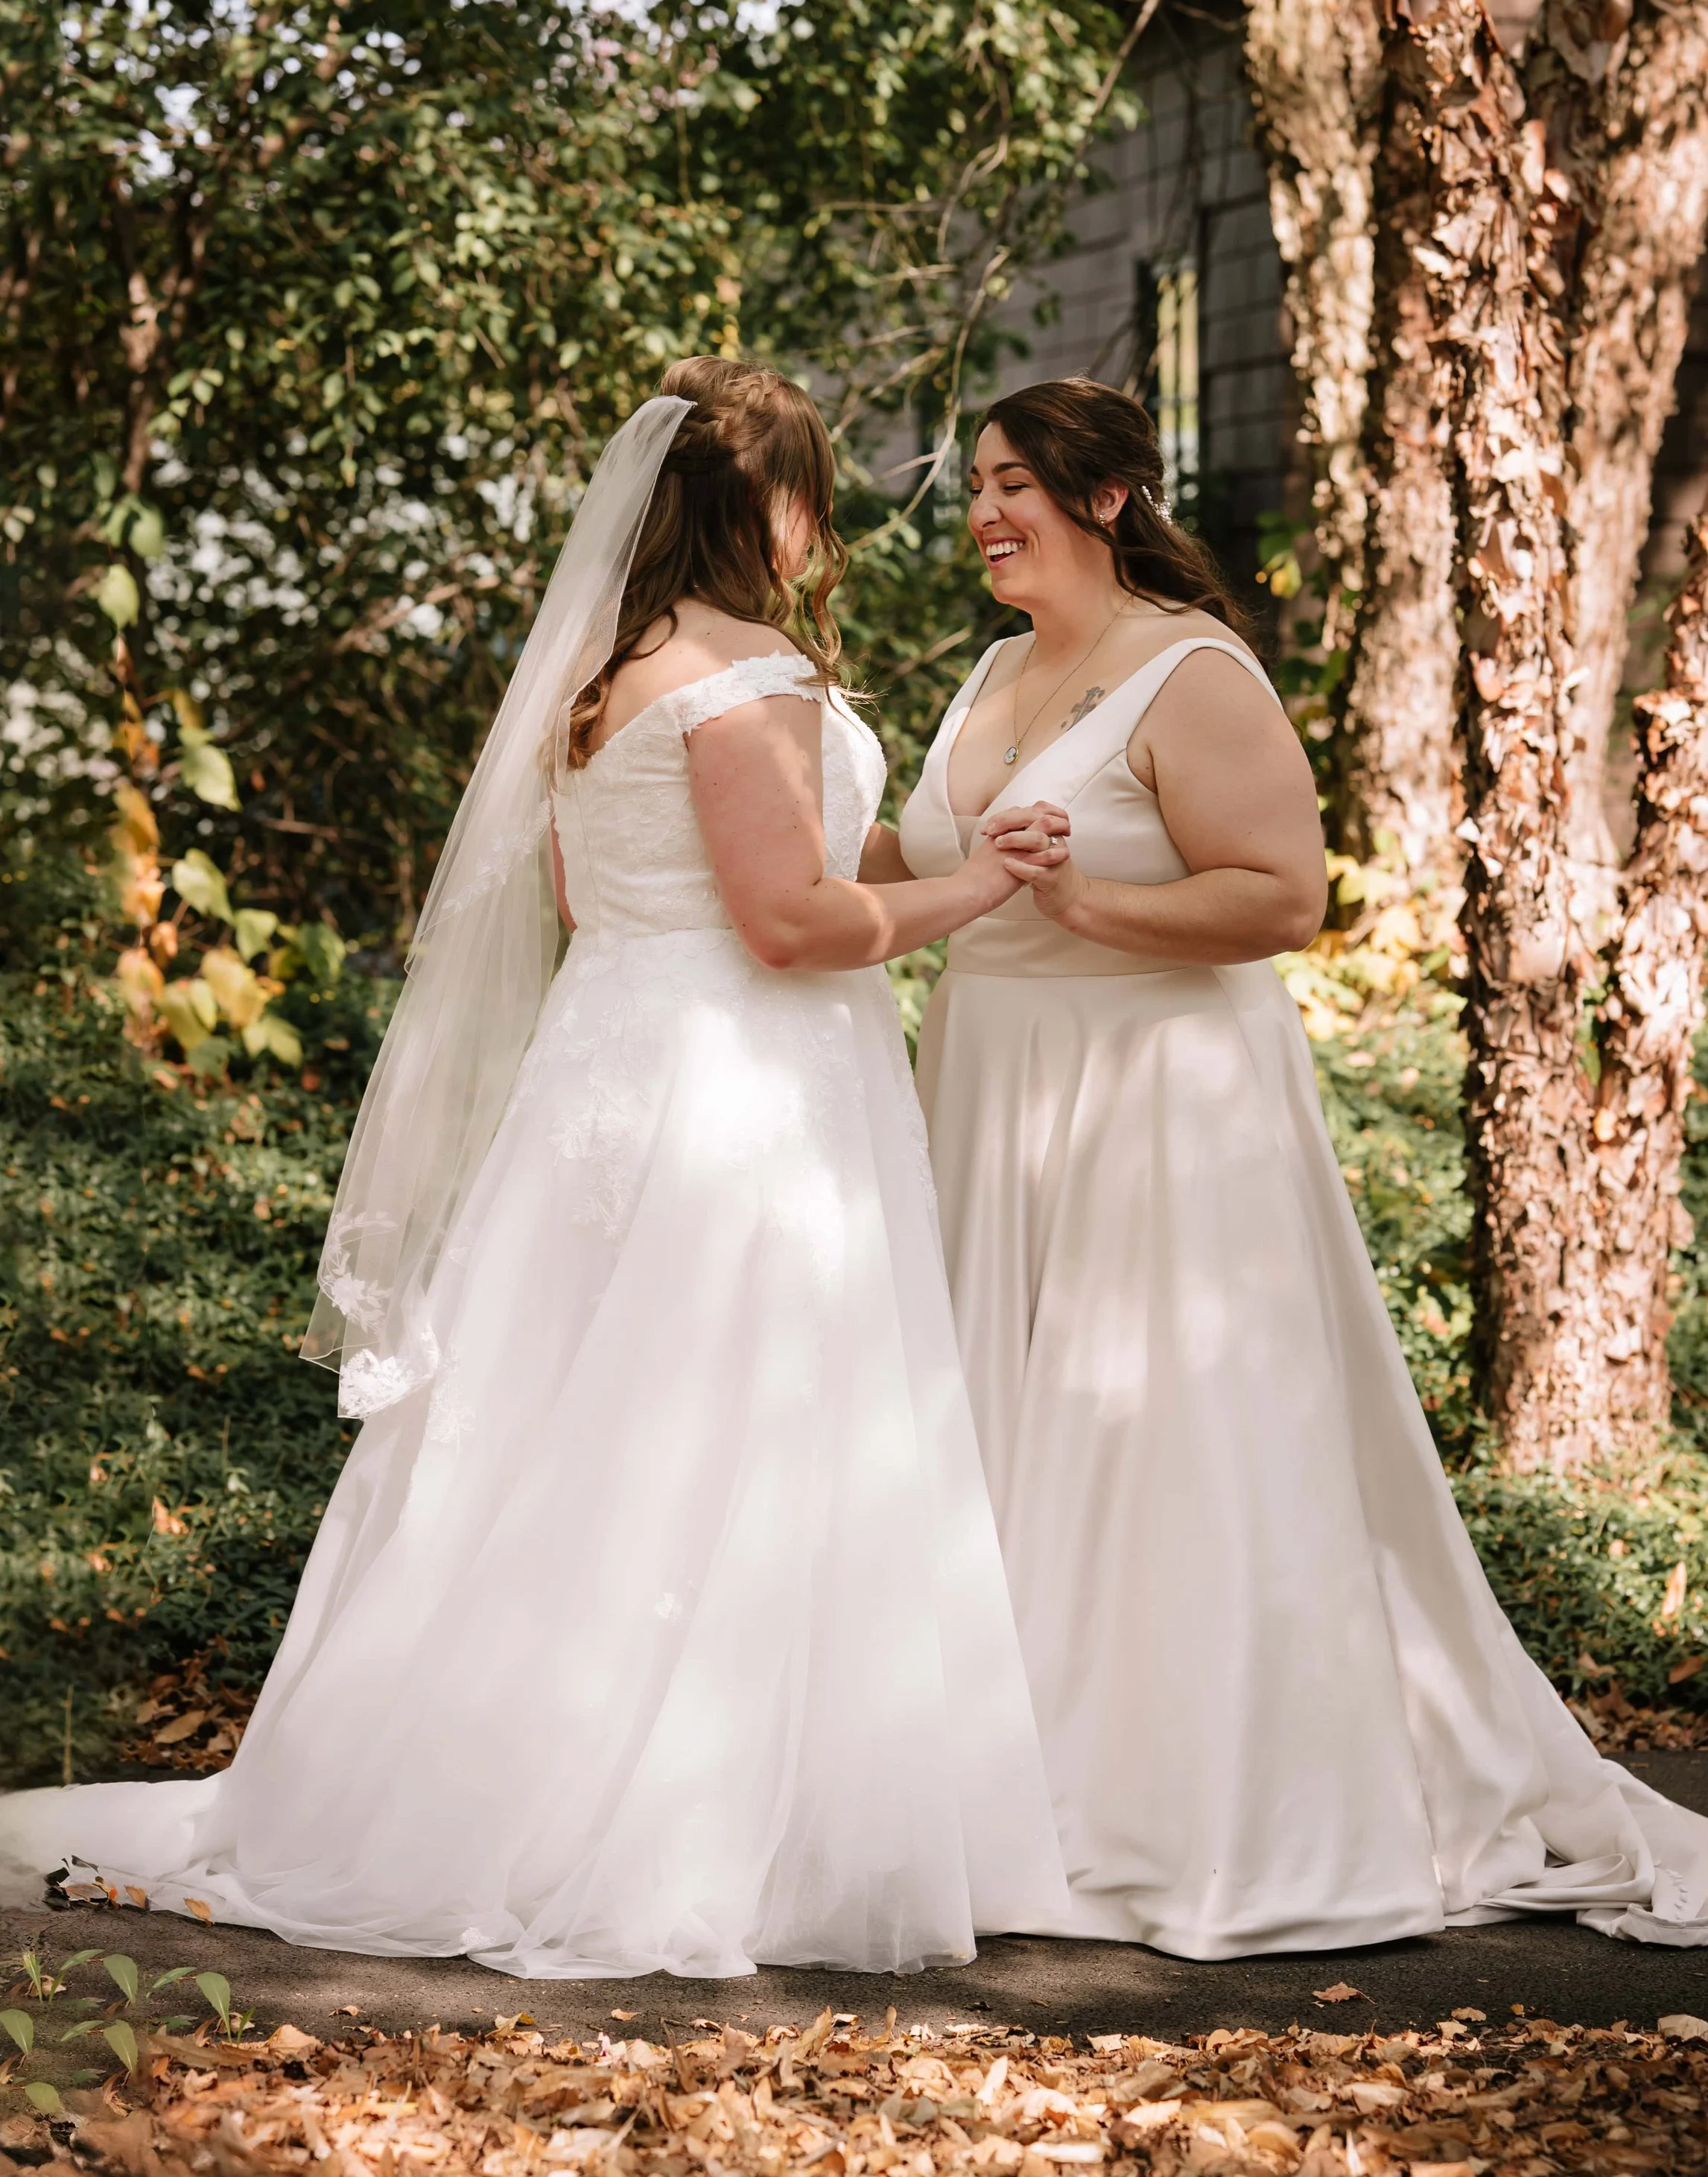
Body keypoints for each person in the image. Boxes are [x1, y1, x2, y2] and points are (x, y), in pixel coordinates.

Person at [0, 361, 1068, 1978]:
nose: (819, 530)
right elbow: (786, 925)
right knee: (727, 1431)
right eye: (812, 500)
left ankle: (492, 1780)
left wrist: (932, 856)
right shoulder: (756, 670)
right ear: (771, 507)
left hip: (611, 1068)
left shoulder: (603, 675)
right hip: (745, 1090)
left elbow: (607, 890)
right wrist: (976, 894)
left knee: (572, 1429)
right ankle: (706, 1825)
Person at [885, 374, 1708, 1955]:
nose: (986, 514)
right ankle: (999, 1793)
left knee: (1145, 1446)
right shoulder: (994, 670)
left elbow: (1282, 897)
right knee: (995, 1436)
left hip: (1152, 1105)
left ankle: (1173, 1804)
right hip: (989, 1094)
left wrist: (1089, 914)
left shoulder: (1189, 671)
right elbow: (917, 862)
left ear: (1104, 498)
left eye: (1016, 486)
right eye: (978, 487)